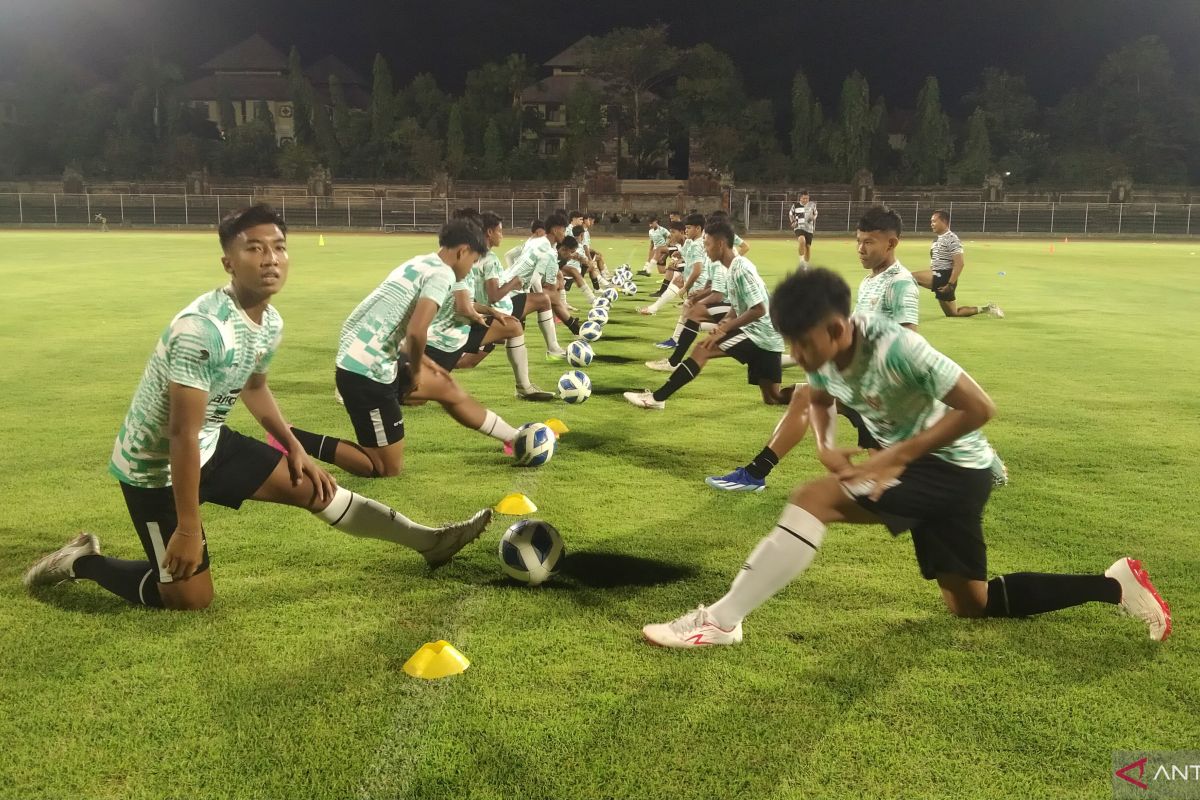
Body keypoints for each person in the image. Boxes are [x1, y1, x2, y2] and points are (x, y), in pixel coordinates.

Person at [642, 268, 1170, 647]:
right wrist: (827, 448)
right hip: (935, 473)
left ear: (838, 328)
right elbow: (819, 398)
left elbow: (981, 407)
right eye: (791, 346)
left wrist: (896, 457)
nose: (797, 358)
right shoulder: (822, 354)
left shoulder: (896, 348)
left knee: (812, 500)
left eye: (803, 345)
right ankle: (1114, 584)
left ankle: (722, 620)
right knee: (971, 604)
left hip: (953, 468)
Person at [22, 205, 492, 611]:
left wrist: (294, 446)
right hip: (154, 468)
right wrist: (189, 525)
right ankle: (80, 561)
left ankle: (430, 542)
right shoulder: (200, 330)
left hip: (210, 445)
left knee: (313, 488)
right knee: (188, 599)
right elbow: (180, 436)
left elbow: (254, 386)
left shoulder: (269, 320)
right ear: (228, 261)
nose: (271, 258)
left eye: (280, 247)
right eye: (255, 248)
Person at [706, 206, 919, 492]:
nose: (860, 248)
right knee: (808, 397)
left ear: (891, 243)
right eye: (858, 240)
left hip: (880, 390)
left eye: (869, 242)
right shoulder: (871, 281)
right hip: (861, 381)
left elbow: (908, 340)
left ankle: (755, 474)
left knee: (889, 484)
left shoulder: (900, 283)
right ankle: (755, 474)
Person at [624, 220, 788, 410]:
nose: (705, 249)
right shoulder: (732, 267)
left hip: (759, 336)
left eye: (707, 244)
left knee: (703, 348)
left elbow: (759, 309)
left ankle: (656, 398)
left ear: (720, 244)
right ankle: (821, 395)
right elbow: (738, 305)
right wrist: (724, 322)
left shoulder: (741, 269)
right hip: (765, 336)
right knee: (773, 397)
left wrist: (725, 328)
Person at [453, 212, 555, 400]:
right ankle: (524, 387)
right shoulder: (488, 258)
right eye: (500, 231)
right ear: (489, 232)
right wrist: (515, 281)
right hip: (485, 314)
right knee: (513, 328)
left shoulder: (469, 254)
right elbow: (494, 296)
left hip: (482, 311)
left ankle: (528, 381)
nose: (502, 235)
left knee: (533, 308)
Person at [911, 210, 1004, 319]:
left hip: (944, 276)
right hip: (939, 275)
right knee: (953, 313)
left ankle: (899, 309)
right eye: (931, 221)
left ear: (944, 222)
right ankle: (987, 308)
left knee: (910, 277)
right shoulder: (937, 240)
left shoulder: (952, 239)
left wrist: (950, 284)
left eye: (934, 221)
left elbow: (959, 263)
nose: (931, 224)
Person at [788, 190, 817, 267]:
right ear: (800, 198)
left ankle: (806, 266)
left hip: (809, 229)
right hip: (799, 227)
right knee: (802, 240)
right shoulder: (795, 205)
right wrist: (792, 222)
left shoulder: (812, 205)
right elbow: (790, 214)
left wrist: (813, 218)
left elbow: (816, 214)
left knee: (808, 247)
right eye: (804, 198)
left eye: (807, 198)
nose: (805, 200)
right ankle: (801, 262)